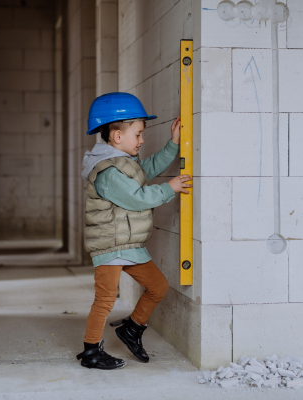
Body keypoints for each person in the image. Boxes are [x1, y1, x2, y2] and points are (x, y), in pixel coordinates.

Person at [76, 92, 192, 370]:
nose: (141, 140)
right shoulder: (107, 172)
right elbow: (136, 197)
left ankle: (132, 329)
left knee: (158, 286)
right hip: (111, 245)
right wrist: (169, 188)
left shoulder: (124, 163)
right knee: (104, 299)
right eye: (138, 134)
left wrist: (173, 144)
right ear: (117, 136)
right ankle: (91, 351)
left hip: (128, 244)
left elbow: (146, 169)